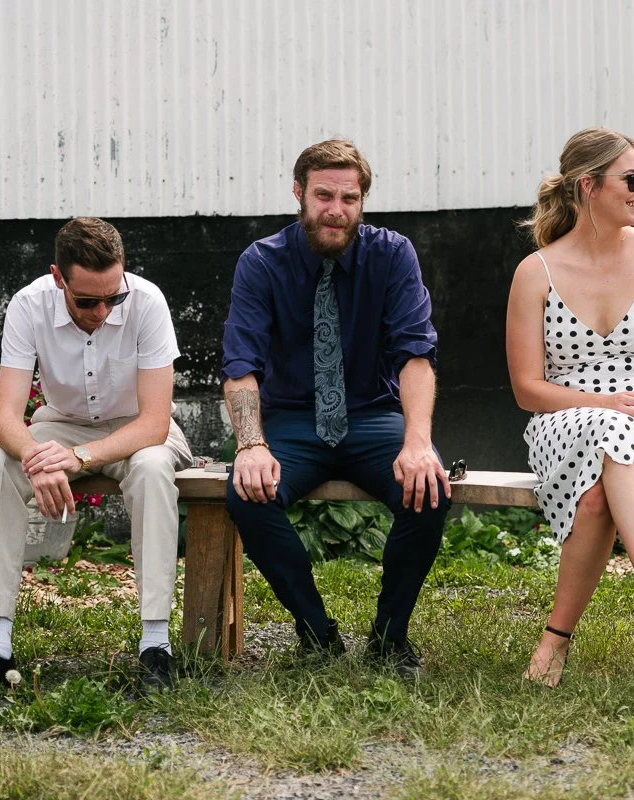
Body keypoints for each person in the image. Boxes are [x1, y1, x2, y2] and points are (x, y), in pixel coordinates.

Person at [0, 217, 193, 701]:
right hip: (60, 422)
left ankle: (156, 644)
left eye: (112, 297)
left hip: (137, 427)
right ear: (58, 278)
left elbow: (155, 422)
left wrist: (76, 457)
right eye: (87, 301)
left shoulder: (147, 302)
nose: (102, 310)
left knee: (154, 469)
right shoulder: (29, 304)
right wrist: (37, 457)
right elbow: (6, 418)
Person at [221, 139, 449, 678]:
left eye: (350, 198)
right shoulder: (262, 262)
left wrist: (418, 443)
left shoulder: (392, 255)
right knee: (246, 493)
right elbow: (240, 366)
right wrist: (251, 445)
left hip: (374, 417)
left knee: (429, 488)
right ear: (299, 193)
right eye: (324, 195)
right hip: (292, 422)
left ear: (362, 201)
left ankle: (391, 637)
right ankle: (316, 633)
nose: (336, 209)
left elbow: (416, 355)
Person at [506, 127, 634, 687]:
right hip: (564, 422)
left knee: (599, 492)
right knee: (608, 426)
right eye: (632, 179)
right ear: (587, 185)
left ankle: (555, 641)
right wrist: (605, 402)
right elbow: (528, 389)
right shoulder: (536, 273)